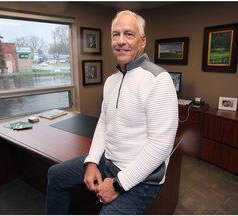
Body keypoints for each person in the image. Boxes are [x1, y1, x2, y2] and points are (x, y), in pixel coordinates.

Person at [46, 10, 178, 215]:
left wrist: (117, 184)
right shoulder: (111, 81)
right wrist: (91, 161)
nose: (120, 41)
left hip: (142, 178)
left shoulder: (158, 79)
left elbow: (161, 145)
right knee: (56, 174)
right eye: (116, 34)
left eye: (128, 34)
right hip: (107, 162)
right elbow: (103, 123)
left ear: (142, 41)